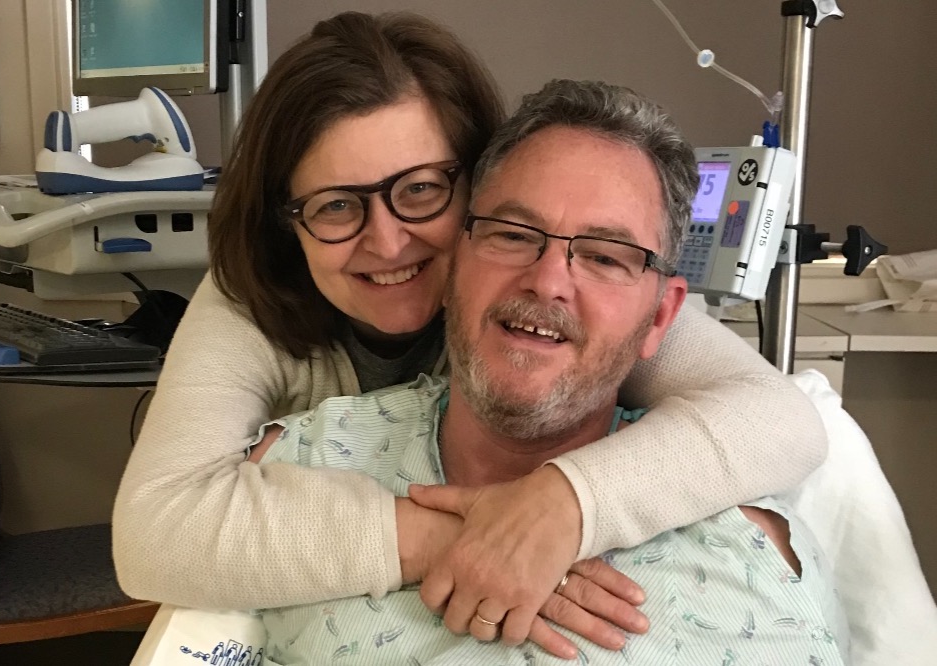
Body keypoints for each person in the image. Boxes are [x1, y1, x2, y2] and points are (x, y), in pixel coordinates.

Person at [112, 10, 828, 655]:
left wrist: (565, 505)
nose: (387, 242)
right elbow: (156, 532)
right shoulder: (252, 303)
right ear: (287, 224)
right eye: (335, 206)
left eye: (421, 189)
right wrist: (480, 538)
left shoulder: (587, 300)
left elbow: (778, 419)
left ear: (475, 186)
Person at [246, 77, 849, 665]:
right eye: (513, 235)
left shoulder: (744, 568)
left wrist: (568, 502)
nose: (548, 281)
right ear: (453, 264)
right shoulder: (293, 471)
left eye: (605, 256)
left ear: (661, 317)